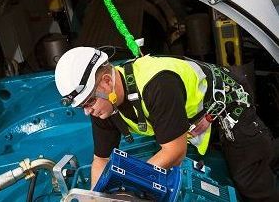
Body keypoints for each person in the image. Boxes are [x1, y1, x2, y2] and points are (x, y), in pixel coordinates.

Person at [55, 46, 279, 202]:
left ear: (106, 81)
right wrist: (97, 198)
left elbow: (174, 151)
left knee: (249, 178)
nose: (88, 111)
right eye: (82, 106)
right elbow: (101, 159)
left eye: (90, 101)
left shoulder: (157, 85)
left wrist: (132, 193)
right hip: (195, 118)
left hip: (228, 105)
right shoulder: (104, 104)